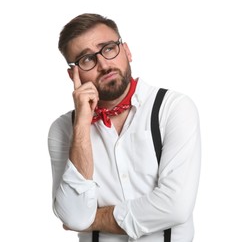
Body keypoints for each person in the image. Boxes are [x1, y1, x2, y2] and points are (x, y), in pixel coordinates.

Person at [48, 13, 201, 242]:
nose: (103, 64)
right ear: (73, 75)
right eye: (87, 59)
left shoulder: (173, 108)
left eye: (108, 48)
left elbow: (176, 206)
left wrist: (95, 219)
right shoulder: (63, 129)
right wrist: (81, 124)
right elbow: (73, 215)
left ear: (126, 51)